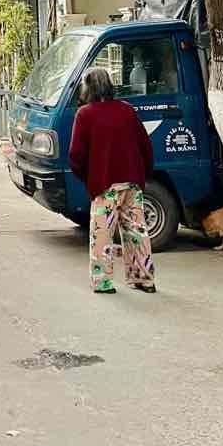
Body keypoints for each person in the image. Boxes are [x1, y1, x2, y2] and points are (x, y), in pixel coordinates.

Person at [68, 67, 156, 294]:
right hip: (132, 182)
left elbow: (76, 155)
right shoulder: (126, 110)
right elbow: (145, 146)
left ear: (88, 88)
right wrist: (142, 174)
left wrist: (88, 177)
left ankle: (103, 282)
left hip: (105, 184)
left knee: (102, 234)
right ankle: (144, 279)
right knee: (136, 231)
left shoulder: (85, 114)